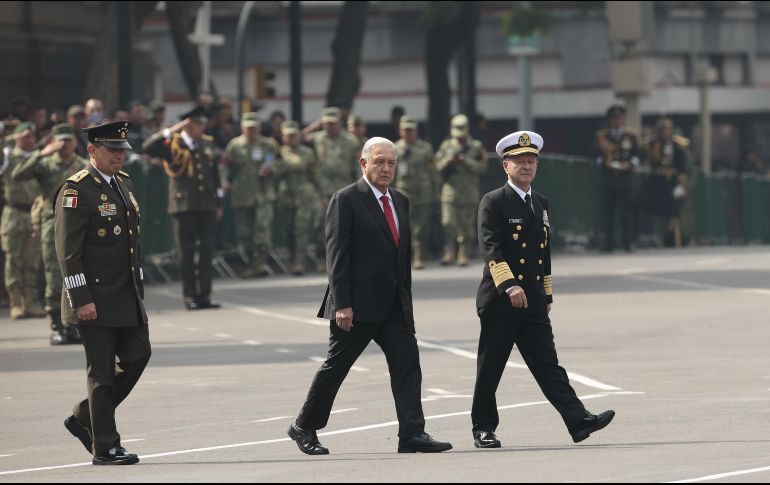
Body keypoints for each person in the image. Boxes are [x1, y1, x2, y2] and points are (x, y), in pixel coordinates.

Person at [288, 137, 453, 456]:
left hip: (393, 305)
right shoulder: (346, 199)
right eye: (379, 161)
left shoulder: (401, 200)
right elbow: (337, 256)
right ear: (363, 163)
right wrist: (343, 303)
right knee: (336, 367)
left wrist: (405, 301)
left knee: (407, 365)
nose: (386, 168)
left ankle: (412, 434)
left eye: (392, 162)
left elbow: (401, 257)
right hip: (356, 305)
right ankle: (303, 426)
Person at [471, 130, 615, 449]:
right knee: (491, 366)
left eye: (531, 160)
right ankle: (483, 428)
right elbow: (491, 248)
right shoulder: (493, 201)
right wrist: (509, 285)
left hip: (533, 300)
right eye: (519, 161)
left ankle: (578, 420)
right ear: (505, 166)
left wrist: (546, 294)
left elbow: (543, 251)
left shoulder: (540, 201)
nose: (527, 166)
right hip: (500, 300)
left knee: (548, 364)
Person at [55, 120, 150, 466]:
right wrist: (81, 300)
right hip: (93, 297)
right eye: (113, 150)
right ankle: (105, 446)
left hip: (125, 295)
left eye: (123, 151)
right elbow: (68, 252)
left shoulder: (123, 184)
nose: (120, 157)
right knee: (102, 372)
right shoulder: (76, 190)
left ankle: (84, 416)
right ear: (92, 150)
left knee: (139, 355)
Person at [12, 123, 88, 344]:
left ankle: (72, 324)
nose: (64, 144)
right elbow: (17, 175)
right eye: (60, 140)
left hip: (77, 225)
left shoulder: (83, 166)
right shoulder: (44, 164)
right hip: (52, 223)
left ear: (75, 141)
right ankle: (56, 324)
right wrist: (40, 153)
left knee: (75, 274)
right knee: (54, 274)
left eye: (68, 139)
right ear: (54, 141)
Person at [143, 106, 222, 310]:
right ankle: (190, 296)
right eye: (197, 124)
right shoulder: (173, 144)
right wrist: (174, 129)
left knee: (206, 252)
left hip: (206, 205)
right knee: (185, 254)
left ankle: (204, 295)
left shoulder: (206, 144)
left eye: (202, 124)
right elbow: (148, 146)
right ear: (187, 125)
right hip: (183, 205)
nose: (201, 128)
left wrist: (218, 202)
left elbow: (214, 176)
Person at [221, 112, 279, 277]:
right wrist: (225, 180)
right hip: (242, 194)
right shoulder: (235, 145)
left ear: (259, 128)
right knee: (244, 233)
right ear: (242, 128)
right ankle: (249, 262)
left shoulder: (268, 145)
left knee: (262, 230)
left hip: (262, 194)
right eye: (248, 128)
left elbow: (276, 162)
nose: (252, 131)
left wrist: (270, 168)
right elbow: (224, 164)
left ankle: (258, 264)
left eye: (254, 128)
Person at [0, 122, 45, 319]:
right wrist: (11, 136)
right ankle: (16, 302)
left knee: (32, 262)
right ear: (16, 138)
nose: (29, 139)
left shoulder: (40, 157)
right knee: (14, 261)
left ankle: (30, 301)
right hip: (14, 213)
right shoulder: (9, 155)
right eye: (24, 136)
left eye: (31, 136)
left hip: (33, 214)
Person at [307, 107, 360, 272]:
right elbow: (293, 138)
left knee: (346, 227)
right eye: (326, 124)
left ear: (340, 123)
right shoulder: (317, 139)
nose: (329, 127)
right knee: (323, 227)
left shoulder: (351, 141)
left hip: (345, 190)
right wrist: (314, 126)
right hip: (323, 190)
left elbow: (357, 167)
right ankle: (323, 259)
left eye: (332, 123)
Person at [435, 114, 486, 266]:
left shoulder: (476, 147)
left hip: (468, 192)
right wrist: (447, 161)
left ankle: (463, 254)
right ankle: (449, 252)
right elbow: (436, 167)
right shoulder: (446, 146)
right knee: (447, 222)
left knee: (466, 227)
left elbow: (483, 168)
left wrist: (467, 161)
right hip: (450, 191)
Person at [275, 120, 320, 276]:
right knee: (288, 230)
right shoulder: (278, 153)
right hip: (286, 194)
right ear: (283, 137)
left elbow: (314, 174)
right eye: (288, 136)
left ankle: (299, 262)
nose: (291, 138)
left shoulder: (307, 153)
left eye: (294, 135)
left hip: (304, 195)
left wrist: (319, 193)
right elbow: (273, 170)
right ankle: (293, 257)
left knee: (301, 229)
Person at [596, 105, 641, 252]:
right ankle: (609, 242)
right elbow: (593, 153)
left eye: (619, 118)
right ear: (610, 120)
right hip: (608, 179)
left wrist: (631, 164)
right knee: (608, 212)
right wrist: (604, 161)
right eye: (614, 119)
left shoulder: (630, 136)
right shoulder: (603, 136)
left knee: (627, 213)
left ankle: (628, 242)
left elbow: (638, 154)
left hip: (625, 179)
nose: (617, 121)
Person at [394, 115, 437, 269]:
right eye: (405, 130)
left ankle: (419, 255)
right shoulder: (395, 149)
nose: (408, 133)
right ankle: (404, 256)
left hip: (423, 192)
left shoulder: (425, 148)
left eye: (411, 130)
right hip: (403, 192)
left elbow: (433, 171)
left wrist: (435, 191)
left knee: (421, 226)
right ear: (400, 131)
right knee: (403, 225)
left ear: (416, 131)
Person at [644, 117, 691, 248]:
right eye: (662, 129)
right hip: (657, 183)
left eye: (666, 129)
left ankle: (675, 237)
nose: (664, 131)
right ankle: (653, 236)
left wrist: (683, 186)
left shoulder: (678, 145)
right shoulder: (652, 145)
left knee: (675, 206)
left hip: (673, 183)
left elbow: (682, 169)